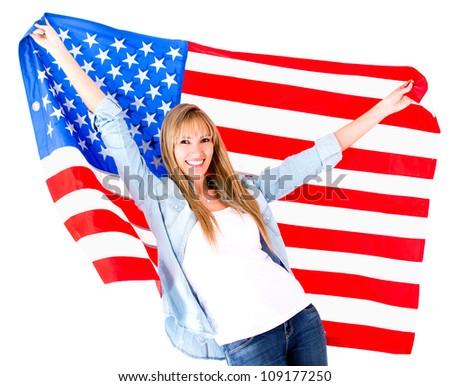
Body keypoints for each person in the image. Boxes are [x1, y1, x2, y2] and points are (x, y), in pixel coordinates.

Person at [31, 20, 413, 366]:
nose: (196, 151)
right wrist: (60, 53)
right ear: (169, 149)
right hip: (246, 339)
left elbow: (310, 161)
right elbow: (112, 124)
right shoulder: (157, 196)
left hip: (300, 317)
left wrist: (379, 111)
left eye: (204, 139)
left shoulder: (243, 189)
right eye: (184, 141)